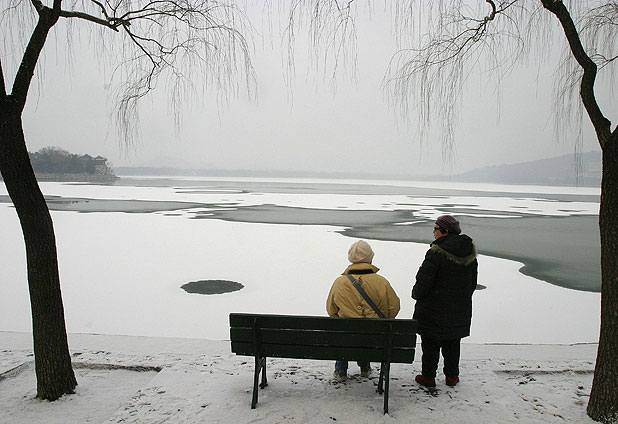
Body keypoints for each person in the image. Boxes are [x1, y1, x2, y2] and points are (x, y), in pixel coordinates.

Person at [412, 215, 478, 388]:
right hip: (458, 309)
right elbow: (472, 283)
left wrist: (416, 294)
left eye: (435, 229)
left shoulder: (436, 253)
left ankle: (428, 377)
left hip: (433, 309)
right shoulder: (469, 253)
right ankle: (452, 376)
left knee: (430, 344)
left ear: (445, 231)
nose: (433, 232)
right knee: (453, 342)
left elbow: (424, 281)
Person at [326, 240, 400, 381]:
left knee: (344, 332)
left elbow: (331, 310)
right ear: (370, 258)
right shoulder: (381, 282)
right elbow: (394, 307)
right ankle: (365, 367)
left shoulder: (339, 282)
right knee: (366, 331)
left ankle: (341, 370)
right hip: (375, 337)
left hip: (347, 337)